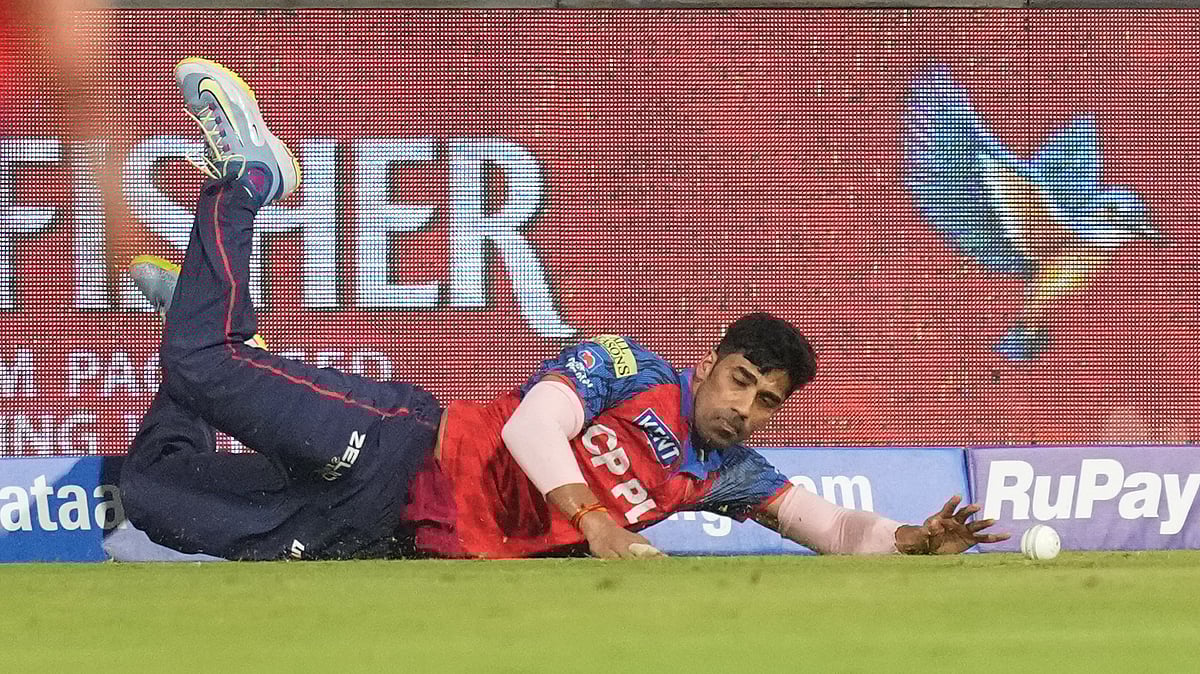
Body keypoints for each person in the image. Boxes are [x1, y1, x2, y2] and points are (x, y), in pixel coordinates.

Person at [121, 58, 1010, 561]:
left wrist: (909, 542)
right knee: (208, 363)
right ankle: (250, 181)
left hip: (383, 535)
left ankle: (188, 311)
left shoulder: (725, 474)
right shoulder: (630, 368)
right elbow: (533, 428)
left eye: (766, 400)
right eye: (741, 381)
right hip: (399, 445)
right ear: (708, 363)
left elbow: (834, 524)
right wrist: (593, 521)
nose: (744, 407)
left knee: (156, 501)